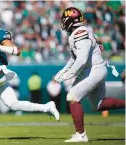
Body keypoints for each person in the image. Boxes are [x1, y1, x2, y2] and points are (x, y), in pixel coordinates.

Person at [54, 7, 125, 142]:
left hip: (94, 70)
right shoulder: (77, 32)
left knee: (72, 96)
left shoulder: (80, 32)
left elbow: (81, 60)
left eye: (64, 19)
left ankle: (81, 135)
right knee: (98, 105)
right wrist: (63, 70)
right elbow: (75, 58)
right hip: (94, 70)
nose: (62, 22)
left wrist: (68, 75)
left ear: (70, 20)